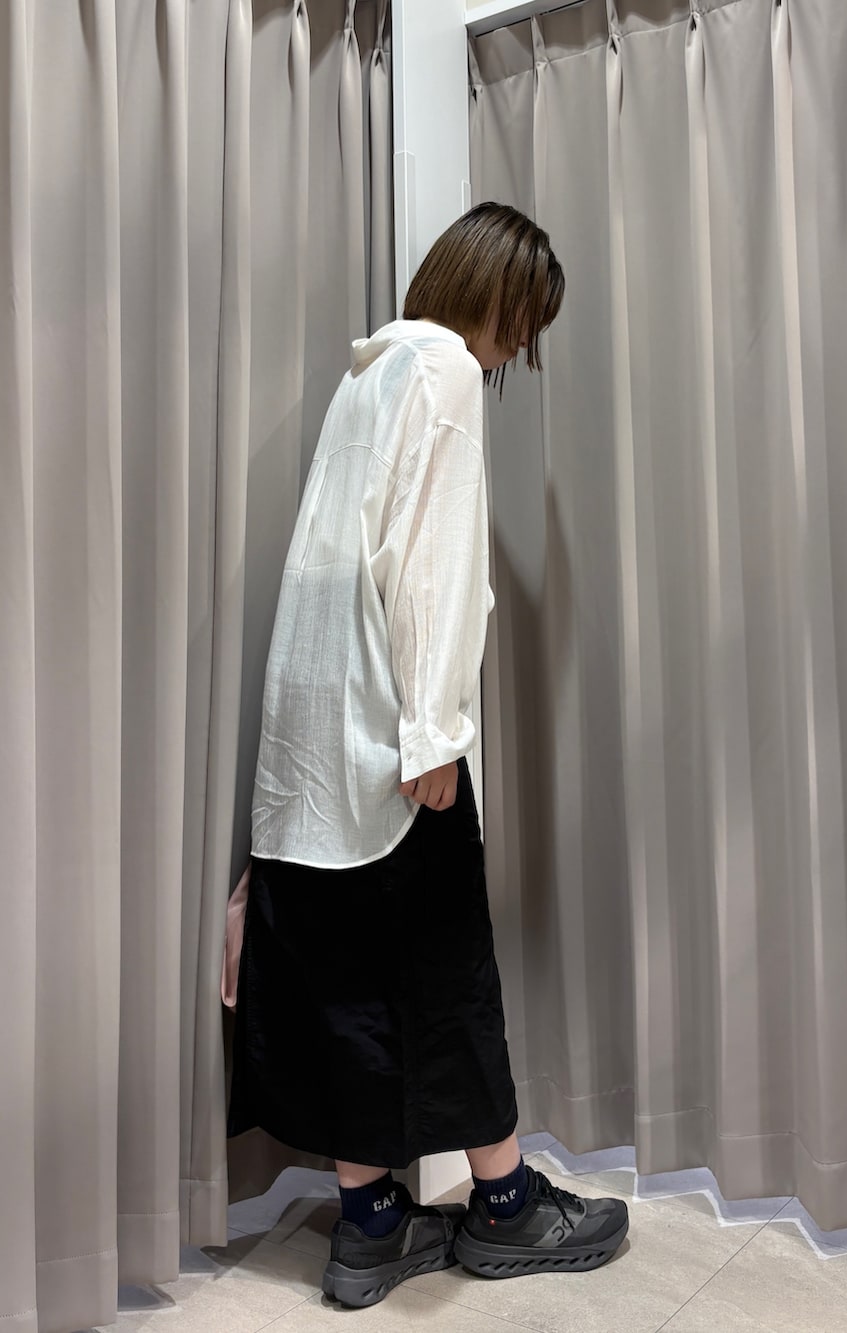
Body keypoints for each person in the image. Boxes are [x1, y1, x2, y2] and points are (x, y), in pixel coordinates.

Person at [227, 202, 629, 1308]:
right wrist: (435, 731)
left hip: (311, 743)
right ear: (494, 294)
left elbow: (331, 562)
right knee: (449, 969)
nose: (517, 348)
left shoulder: (366, 375)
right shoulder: (444, 368)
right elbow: (436, 569)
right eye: (525, 321)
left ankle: (368, 1228)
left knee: (349, 982)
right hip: (394, 732)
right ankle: (503, 1205)